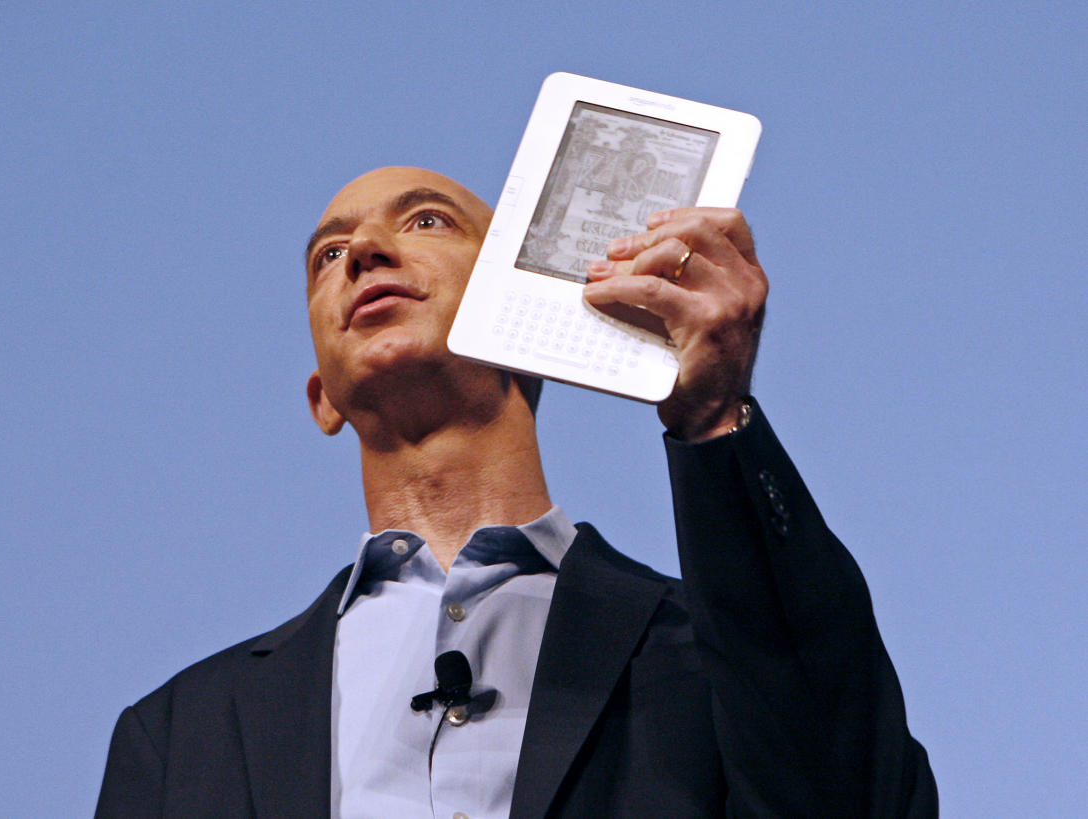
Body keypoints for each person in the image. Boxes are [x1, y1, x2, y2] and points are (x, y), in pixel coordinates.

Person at [96, 166, 937, 817]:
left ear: (525, 322)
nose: (363, 254)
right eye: (328, 256)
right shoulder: (178, 735)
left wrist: (715, 416)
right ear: (320, 395)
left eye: (426, 220)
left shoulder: (710, 655)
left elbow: (852, 795)